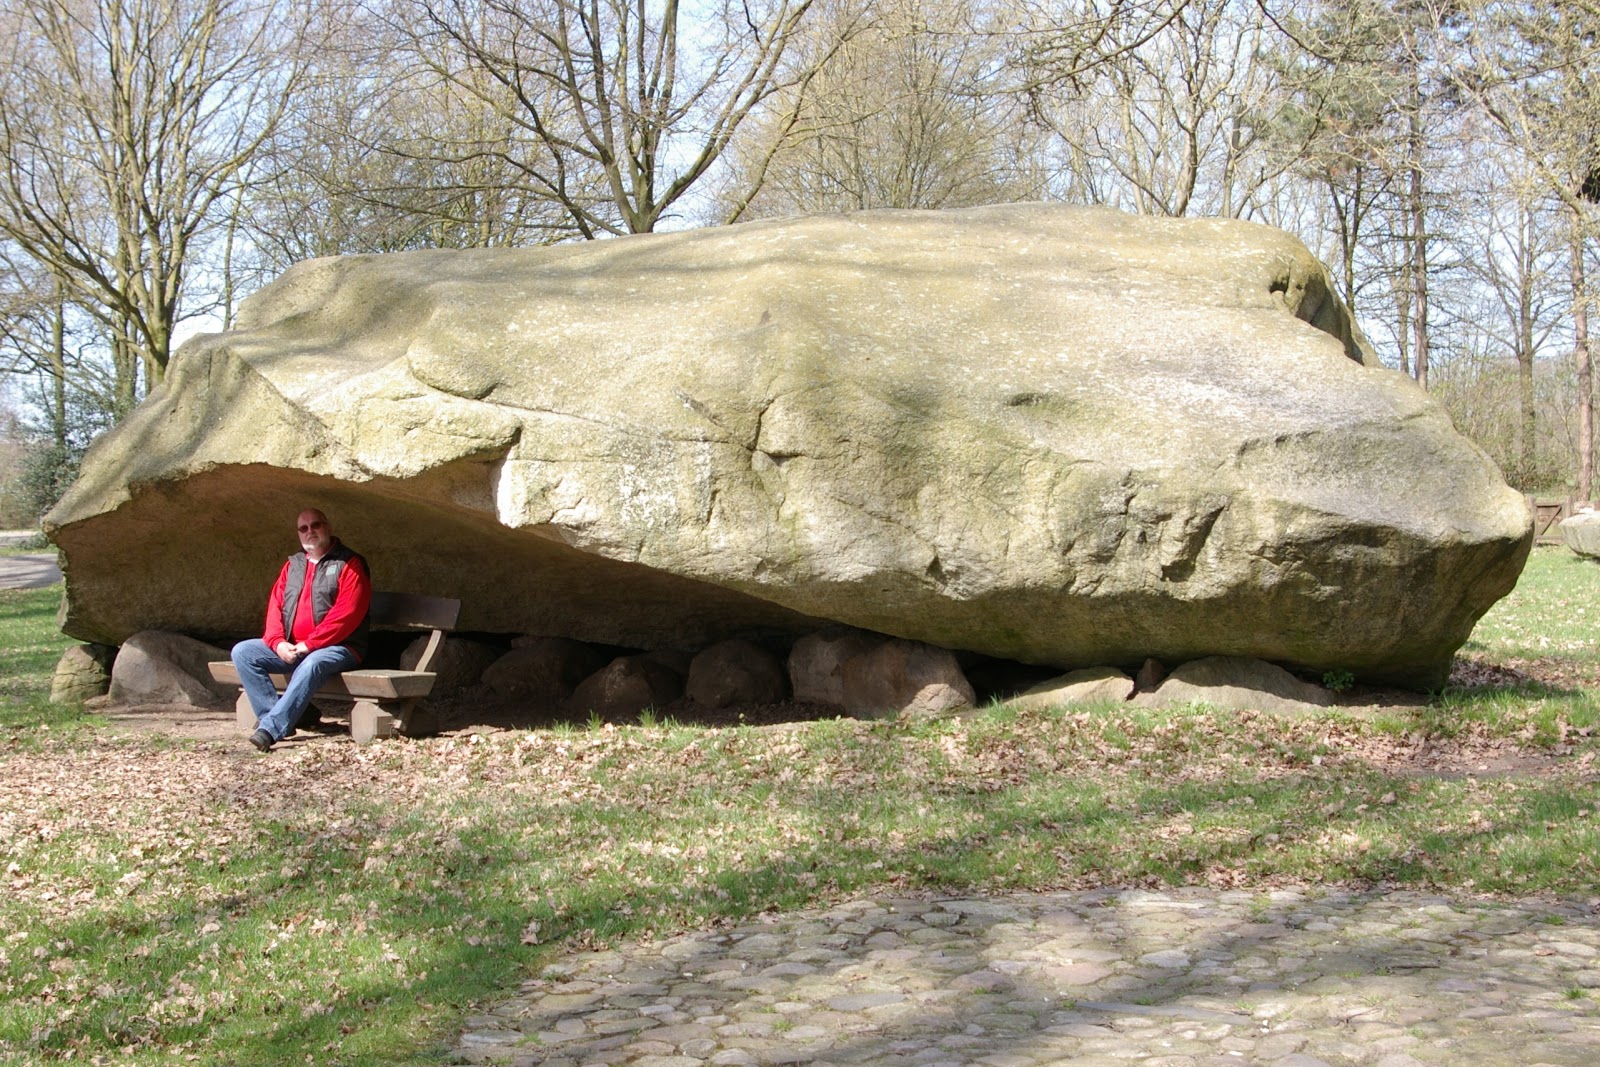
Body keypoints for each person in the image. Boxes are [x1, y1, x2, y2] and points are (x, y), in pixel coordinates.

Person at [231, 508, 372, 752]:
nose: (310, 532)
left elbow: (347, 614)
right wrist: (277, 643)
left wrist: (310, 644)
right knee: (243, 652)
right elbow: (275, 605)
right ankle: (274, 716)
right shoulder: (293, 565)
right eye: (303, 528)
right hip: (295, 647)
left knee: (312, 663)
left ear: (327, 527)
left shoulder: (349, 564)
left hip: (339, 648)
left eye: (315, 525)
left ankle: (272, 728)